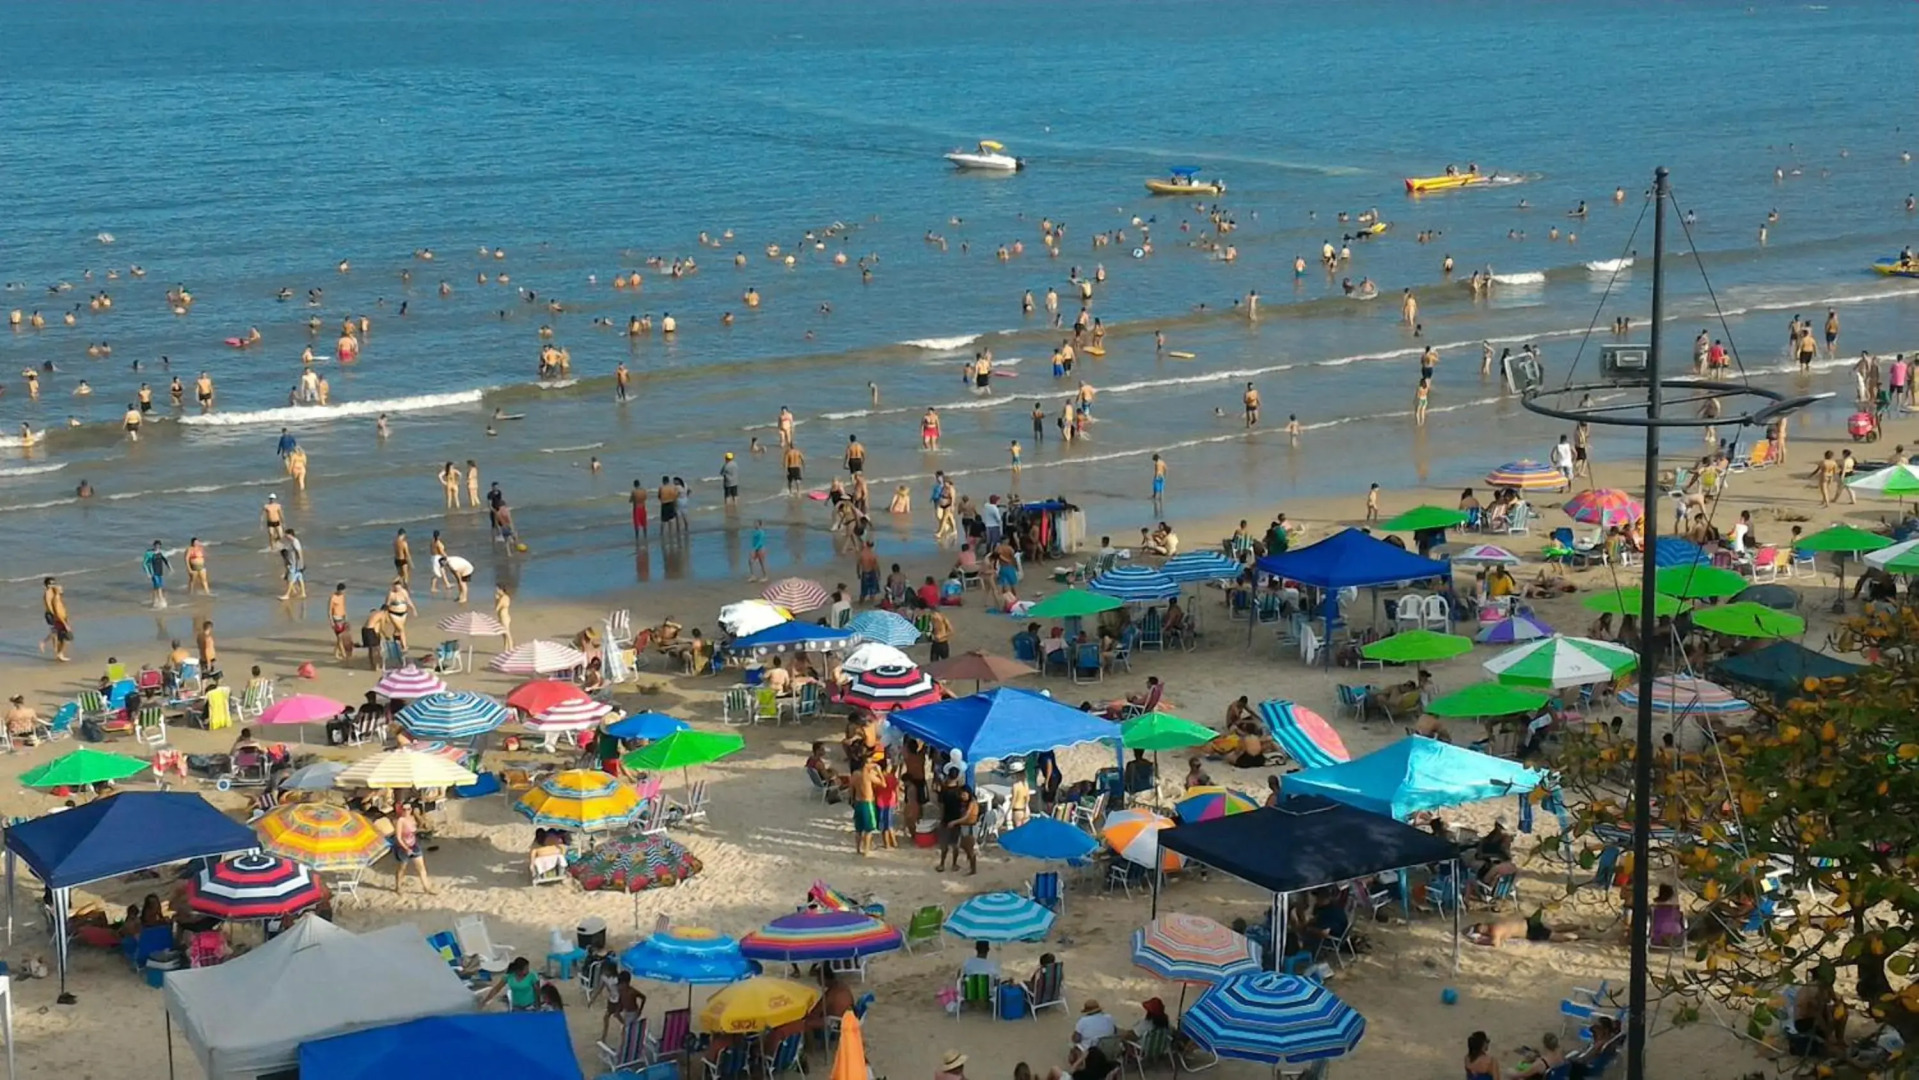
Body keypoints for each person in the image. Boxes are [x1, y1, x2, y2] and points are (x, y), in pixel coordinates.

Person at [391, 802, 433, 894]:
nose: (406, 811)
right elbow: (398, 837)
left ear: (411, 810)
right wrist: (406, 848)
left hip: (413, 844)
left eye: (408, 809)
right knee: (402, 868)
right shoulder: (400, 821)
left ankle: (426, 888)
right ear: (401, 810)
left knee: (421, 867)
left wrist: (422, 827)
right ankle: (398, 887)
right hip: (402, 847)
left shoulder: (413, 818)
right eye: (404, 809)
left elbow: (414, 831)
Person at [601, 969, 645, 1041]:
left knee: (626, 1030)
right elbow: (621, 1001)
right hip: (626, 1012)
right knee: (625, 1029)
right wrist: (618, 1010)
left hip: (633, 1013)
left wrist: (640, 1010)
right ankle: (626, 1042)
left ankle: (626, 1044)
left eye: (621, 984)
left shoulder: (632, 991)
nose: (620, 986)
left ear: (626, 983)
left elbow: (643, 998)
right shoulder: (621, 991)